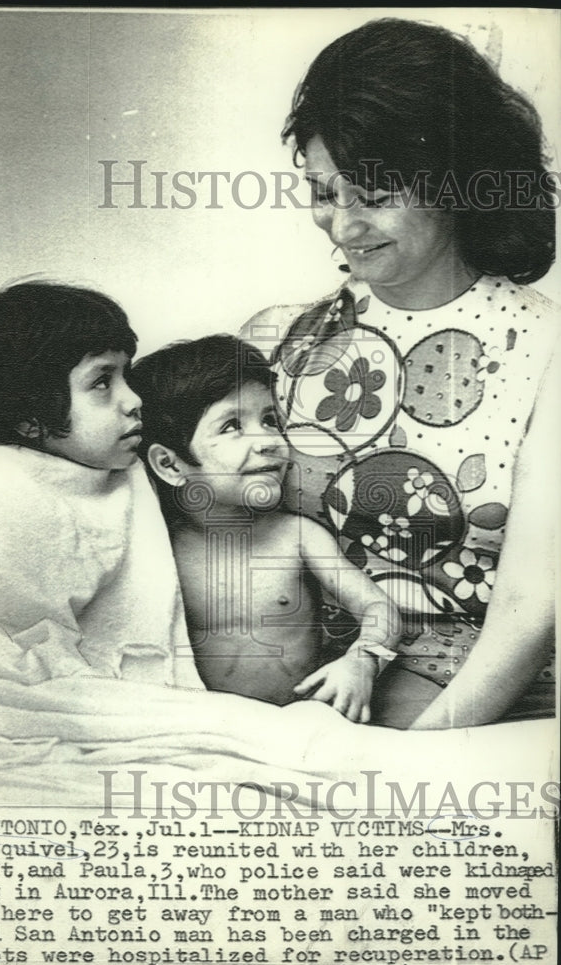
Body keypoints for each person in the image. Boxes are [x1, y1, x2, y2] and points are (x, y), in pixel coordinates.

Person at [239, 17, 558, 729]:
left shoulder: (548, 348)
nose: (343, 225)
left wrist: (407, 759)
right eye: (325, 192)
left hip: (475, 699)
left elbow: (533, 605)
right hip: (323, 685)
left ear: (457, 182)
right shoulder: (279, 338)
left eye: (376, 196)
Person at [0, 281, 202, 742]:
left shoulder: (134, 469)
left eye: (126, 375)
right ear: (32, 417)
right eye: (102, 382)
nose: (133, 399)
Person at [129, 334, 401, 719]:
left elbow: (376, 605)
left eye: (270, 420)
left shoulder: (297, 536)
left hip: (304, 719)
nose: (269, 440)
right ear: (171, 465)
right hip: (205, 727)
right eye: (231, 426)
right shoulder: (161, 550)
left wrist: (363, 660)